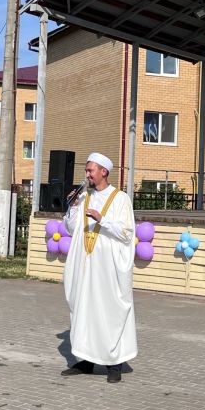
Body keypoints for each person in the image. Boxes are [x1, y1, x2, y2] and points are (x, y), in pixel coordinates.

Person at [60, 152, 137, 384]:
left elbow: (126, 233)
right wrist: (73, 207)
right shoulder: (84, 197)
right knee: (84, 310)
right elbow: (72, 229)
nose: (87, 175)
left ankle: (114, 364)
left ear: (103, 171)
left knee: (108, 311)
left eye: (90, 171)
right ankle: (85, 360)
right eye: (86, 171)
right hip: (85, 266)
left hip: (107, 269)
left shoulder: (120, 199)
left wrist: (102, 219)